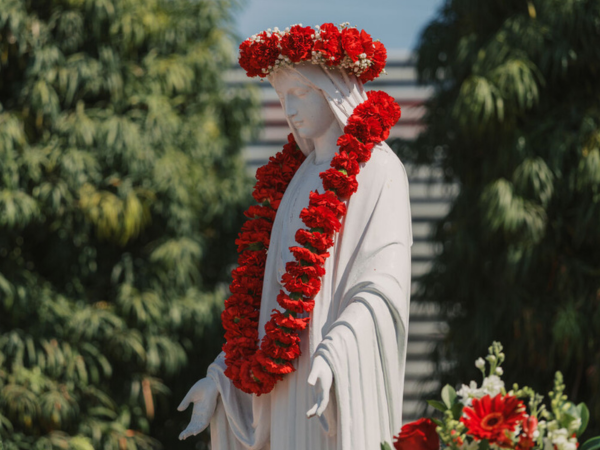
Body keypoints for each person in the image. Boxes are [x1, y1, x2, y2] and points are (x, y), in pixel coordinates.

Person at [178, 24, 413, 450]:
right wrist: (222, 378)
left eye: (301, 92)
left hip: (333, 374)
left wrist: (337, 353)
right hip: (284, 385)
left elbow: (382, 288)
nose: (289, 107)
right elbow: (270, 299)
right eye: (282, 95)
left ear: (334, 90)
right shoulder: (295, 177)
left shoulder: (378, 169)